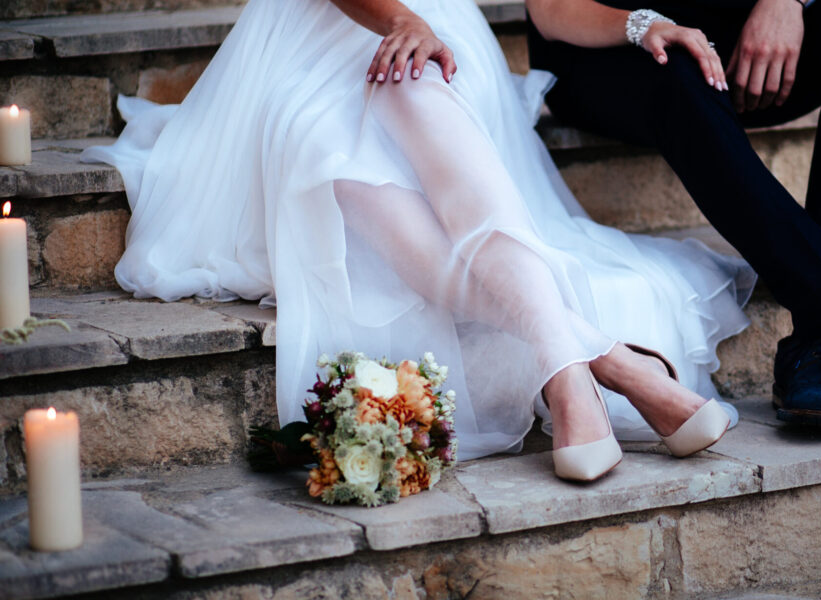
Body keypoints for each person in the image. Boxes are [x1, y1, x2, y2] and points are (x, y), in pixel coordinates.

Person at [83, 0, 759, 482]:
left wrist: (641, 23)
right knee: (328, 154)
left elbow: (552, 5)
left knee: (419, 85)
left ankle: (577, 372)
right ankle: (601, 363)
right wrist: (400, 17)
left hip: (443, 38)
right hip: (313, 40)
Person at [526, 0, 821, 439]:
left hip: (730, 41)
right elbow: (550, 12)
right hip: (607, 50)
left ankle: (814, 343)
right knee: (677, 69)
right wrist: (647, 25)